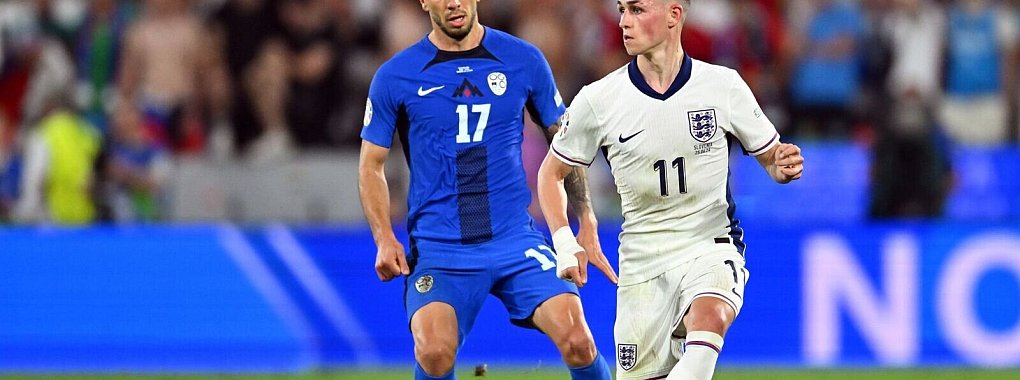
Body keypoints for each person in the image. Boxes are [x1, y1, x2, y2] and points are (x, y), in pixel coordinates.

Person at [537, 1, 804, 379]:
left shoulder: (722, 86)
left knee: (712, 314)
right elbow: (551, 174)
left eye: (637, 10)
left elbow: (771, 158)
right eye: (622, 11)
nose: (624, 22)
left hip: (709, 245)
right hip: (642, 267)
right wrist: (566, 241)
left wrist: (782, 164)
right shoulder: (599, 100)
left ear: (674, 15)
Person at [358, 1, 614, 379]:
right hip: (440, 246)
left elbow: (566, 145)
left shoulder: (522, 58)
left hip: (513, 239)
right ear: (425, 2)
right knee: (434, 352)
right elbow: (371, 165)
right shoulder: (396, 76)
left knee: (578, 339)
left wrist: (587, 220)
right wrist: (384, 238)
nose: (454, 3)